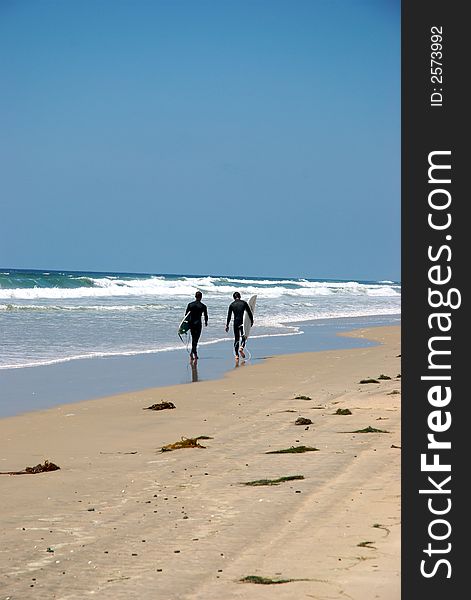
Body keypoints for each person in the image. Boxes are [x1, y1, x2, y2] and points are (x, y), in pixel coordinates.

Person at [225, 292, 253, 361]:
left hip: (235, 323)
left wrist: (227, 325)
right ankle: (241, 348)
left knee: (236, 339)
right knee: (244, 337)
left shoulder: (232, 305)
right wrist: (251, 321)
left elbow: (229, 316)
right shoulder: (244, 303)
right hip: (242, 322)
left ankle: (237, 355)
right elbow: (249, 312)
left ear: (234, 297)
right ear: (240, 296)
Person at [184, 291, 208, 362]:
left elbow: (186, 315)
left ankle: (192, 353)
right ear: (201, 297)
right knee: (196, 339)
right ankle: (195, 353)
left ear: (195, 296)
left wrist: (186, 325)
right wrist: (206, 322)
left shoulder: (190, 305)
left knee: (193, 339)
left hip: (191, 324)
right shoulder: (203, 306)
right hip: (198, 324)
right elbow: (206, 316)